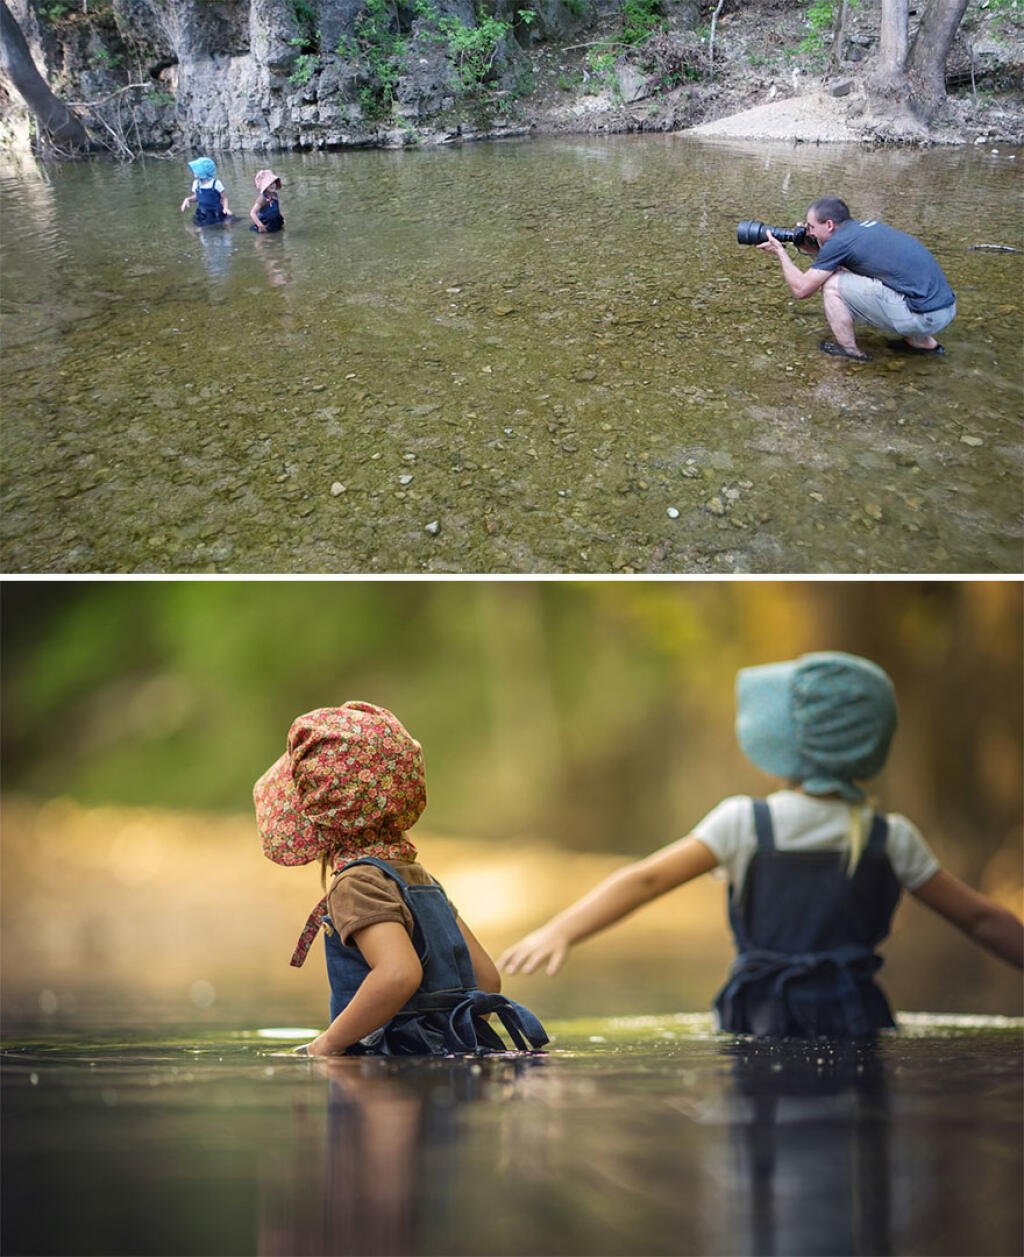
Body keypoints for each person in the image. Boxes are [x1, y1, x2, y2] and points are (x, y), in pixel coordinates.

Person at [500, 652, 1023, 1039]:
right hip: (856, 1014)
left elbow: (646, 879)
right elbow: (981, 919)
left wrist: (561, 930)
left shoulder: (744, 823)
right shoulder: (893, 837)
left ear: (784, 747)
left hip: (758, 1018)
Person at [254, 701, 548, 1057]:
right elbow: (486, 979)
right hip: (452, 1060)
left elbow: (398, 974)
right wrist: (449, 1039)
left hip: (392, 1065)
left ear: (318, 814)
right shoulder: (420, 878)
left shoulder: (357, 883)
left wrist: (327, 1044)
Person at [757, 196, 957, 363]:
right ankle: (922, 344)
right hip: (944, 309)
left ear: (829, 225)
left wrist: (780, 252)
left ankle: (850, 351)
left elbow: (801, 290)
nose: (808, 232)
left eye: (810, 227)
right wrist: (813, 249)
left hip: (922, 317)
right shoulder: (864, 229)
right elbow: (844, 263)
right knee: (875, 280)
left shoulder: (840, 242)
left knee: (831, 285)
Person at [180, 157, 231, 226]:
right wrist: (188, 199)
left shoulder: (216, 183)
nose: (194, 171)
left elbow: (224, 198)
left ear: (203, 172)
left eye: (196, 170)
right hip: (202, 213)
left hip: (216, 212)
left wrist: (225, 208)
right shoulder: (196, 183)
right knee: (204, 231)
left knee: (222, 227)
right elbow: (196, 197)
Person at [249, 169, 285, 233]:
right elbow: (252, 213)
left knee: (279, 236)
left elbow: (277, 208)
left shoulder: (275, 194)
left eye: (273, 182)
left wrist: (281, 217)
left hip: (275, 220)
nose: (272, 185)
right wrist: (260, 225)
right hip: (265, 222)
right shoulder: (262, 198)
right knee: (265, 239)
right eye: (269, 184)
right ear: (264, 186)